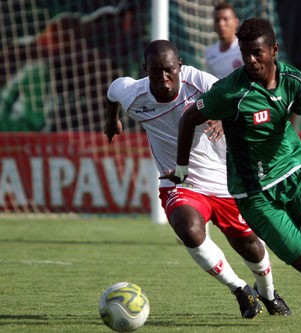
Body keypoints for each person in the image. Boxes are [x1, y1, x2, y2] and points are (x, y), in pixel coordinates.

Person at [166, 18, 301, 326]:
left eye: (257, 53)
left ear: (274, 50)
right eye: (245, 53)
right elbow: (189, 118)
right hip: (254, 192)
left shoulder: (295, 79)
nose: (250, 60)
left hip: (297, 171)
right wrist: (182, 167)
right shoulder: (229, 90)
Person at [104, 39, 290, 318]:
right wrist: (112, 120)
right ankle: (240, 289)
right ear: (145, 69)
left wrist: (222, 115)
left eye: (169, 70)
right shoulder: (133, 94)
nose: (163, 79)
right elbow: (112, 92)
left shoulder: (201, 82)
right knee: (188, 227)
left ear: (180, 66)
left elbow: (241, 99)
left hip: (225, 180)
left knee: (248, 243)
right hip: (179, 181)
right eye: (155, 71)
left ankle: (268, 292)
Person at [204, 2, 243, 79]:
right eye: (217, 20)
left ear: (236, 22)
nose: (221, 24)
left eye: (225, 19)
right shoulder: (209, 52)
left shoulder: (243, 48)